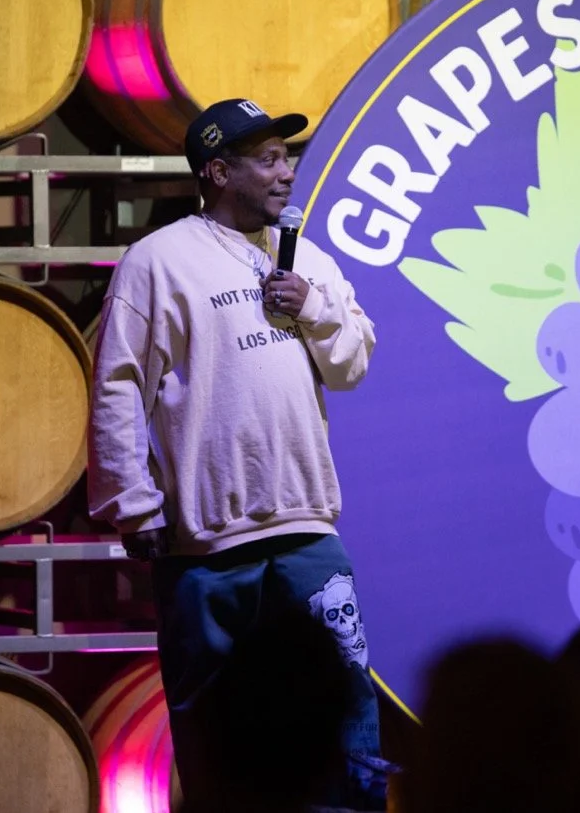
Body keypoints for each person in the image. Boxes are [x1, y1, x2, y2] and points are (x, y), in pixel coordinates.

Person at [86, 98, 383, 811]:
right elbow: (119, 383)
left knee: (346, 696)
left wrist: (310, 305)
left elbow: (353, 362)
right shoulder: (159, 260)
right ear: (218, 171)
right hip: (208, 542)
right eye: (269, 160)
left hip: (308, 525)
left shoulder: (304, 254)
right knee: (214, 714)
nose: (286, 174)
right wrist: (131, 500)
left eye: (288, 158)